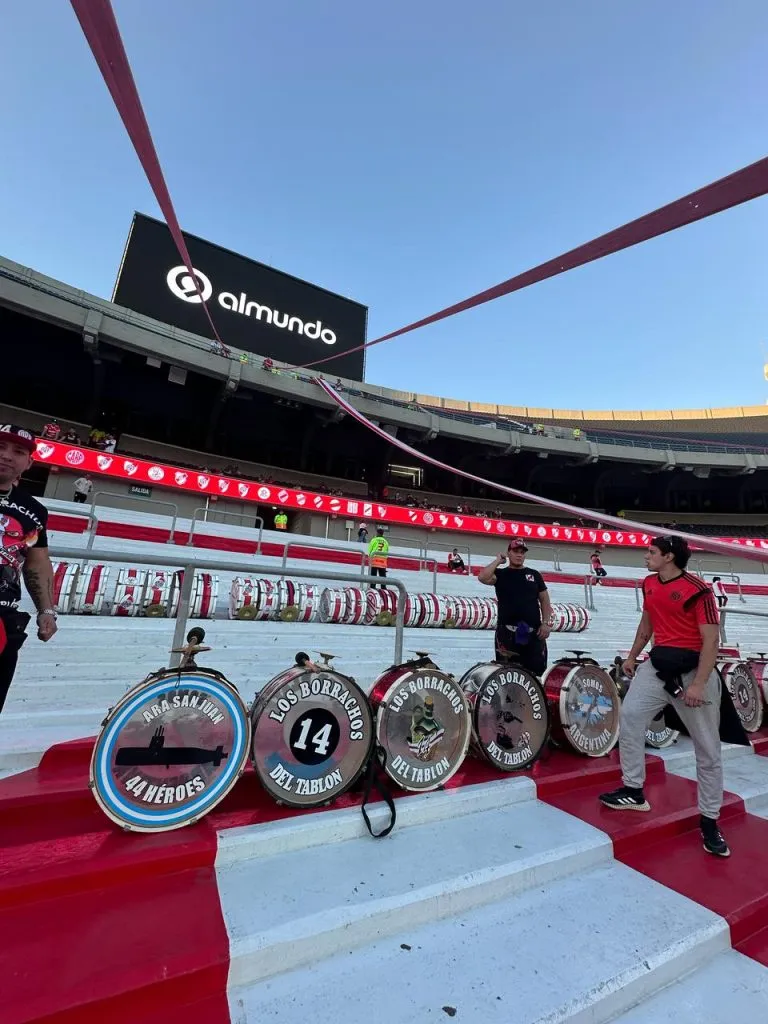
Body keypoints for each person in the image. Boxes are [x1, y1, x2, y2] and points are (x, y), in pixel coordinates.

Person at [599, 536, 729, 858]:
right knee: (629, 718)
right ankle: (633, 789)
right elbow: (647, 623)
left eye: (652, 552)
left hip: (692, 672)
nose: (646, 556)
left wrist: (699, 684)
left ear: (669, 557)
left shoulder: (698, 590)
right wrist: (632, 656)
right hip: (657, 668)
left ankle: (710, 820)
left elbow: (711, 642)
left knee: (708, 750)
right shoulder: (649, 583)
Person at [0, 425, 58, 715]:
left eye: (17, 451)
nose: (6, 456)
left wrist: (46, 611)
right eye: (0, 447)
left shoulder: (33, 511)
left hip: (4, 621)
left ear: (29, 463)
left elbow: (35, 560)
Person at [478, 541, 553, 676]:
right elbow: (482, 577)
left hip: (533, 632)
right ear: (508, 553)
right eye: (515, 552)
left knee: (536, 673)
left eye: (522, 552)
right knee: (507, 672)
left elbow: (545, 600)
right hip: (508, 632)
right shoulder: (501, 574)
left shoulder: (534, 575)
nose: (519, 555)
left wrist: (546, 623)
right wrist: (497, 561)